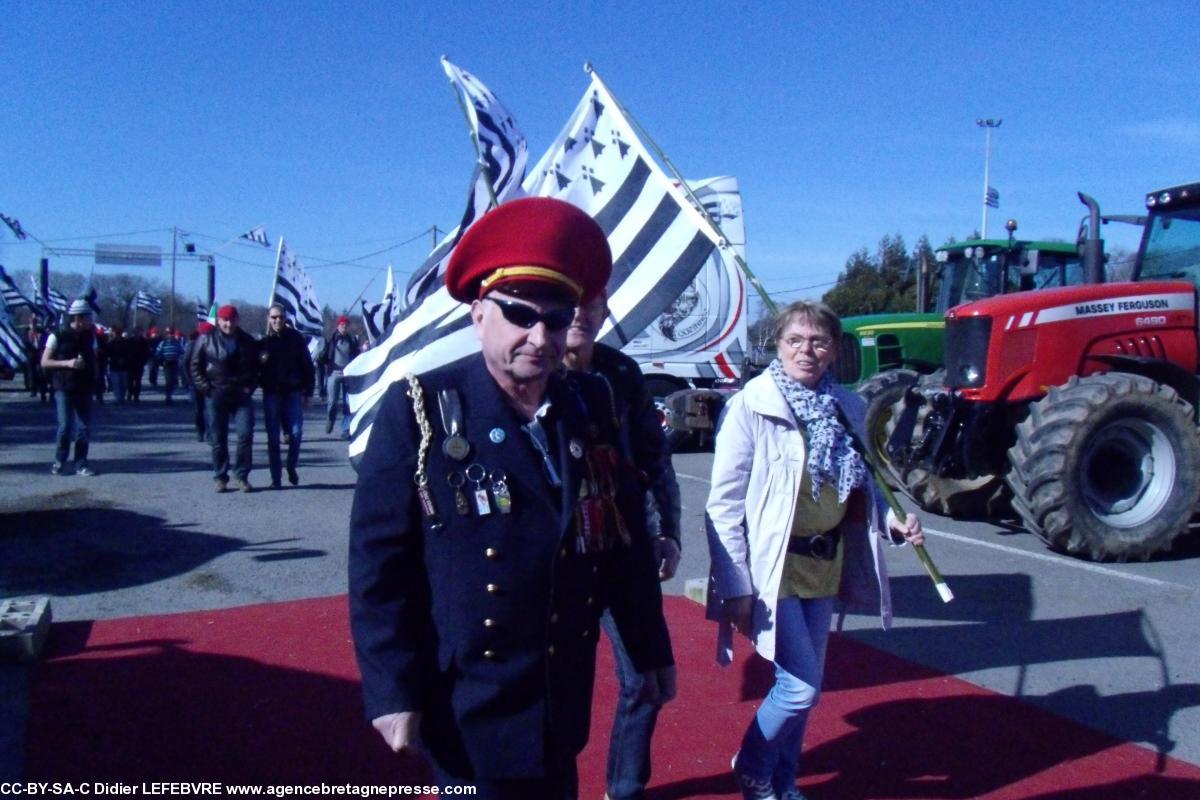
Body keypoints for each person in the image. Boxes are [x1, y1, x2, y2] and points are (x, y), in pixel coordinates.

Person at [349, 197, 676, 800]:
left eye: (555, 319)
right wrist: (392, 689)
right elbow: (379, 567)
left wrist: (649, 645)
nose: (539, 335)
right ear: (479, 314)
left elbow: (621, 538)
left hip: (559, 689)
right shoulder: (421, 411)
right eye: (520, 315)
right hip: (470, 695)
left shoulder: (591, 404)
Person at [706, 300, 925, 800]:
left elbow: (864, 489)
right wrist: (734, 583)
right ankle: (753, 765)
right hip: (773, 569)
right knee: (798, 688)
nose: (807, 350)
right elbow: (723, 505)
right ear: (778, 346)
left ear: (834, 349)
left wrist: (895, 524)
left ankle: (784, 784)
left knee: (806, 692)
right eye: (795, 340)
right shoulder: (752, 404)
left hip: (824, 566)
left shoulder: (849, 408)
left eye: (819, 341)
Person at [562, 291, 682, 800]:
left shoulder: (622, 372)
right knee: (557, 689)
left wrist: (668, 530)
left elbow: (655, 457)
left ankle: (625, 789)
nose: (579, 314)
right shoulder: (533, 372)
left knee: (649, 680)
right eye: (567, 302)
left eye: (590, 304)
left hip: (623, 548)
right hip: (561, 560)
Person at [189, 304, 260, 492]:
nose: (228, 324)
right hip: (216, 394)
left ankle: (242, 476)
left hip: (240, 395)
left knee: (245, 435)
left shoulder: (247, 341)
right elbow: (194, 366)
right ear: (219, 321)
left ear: (237, 320)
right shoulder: (206, 339)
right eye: (224, 320)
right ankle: (220, 477)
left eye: (231, 319)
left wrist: (249, 388)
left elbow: (256, 369)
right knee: (218, 438)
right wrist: (206, 389)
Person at [42, 299, 100, 476]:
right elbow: (45, 361)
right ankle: (60, 460)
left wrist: (97, 379)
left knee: (84, 428)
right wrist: (68, 363)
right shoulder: (57, 335)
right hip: (64, 386)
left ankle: (81, 463)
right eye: (88, 317)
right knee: (65, 427)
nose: (91, 321)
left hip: (85, 386)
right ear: (79, 318)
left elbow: (95, 359)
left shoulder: (90, 336)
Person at [260, 305, 315, 489]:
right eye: (274, 317)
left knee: (296, 433)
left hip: (293, 392)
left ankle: (291, 466)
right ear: (268, 318)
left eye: (281, 317)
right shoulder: (264, 342)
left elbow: (308, 366)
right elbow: (253, 368)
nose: (277, 320)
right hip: (272, 393)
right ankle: (276, 478)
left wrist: (309, 392)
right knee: (273, 437)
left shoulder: (296, 339)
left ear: (285, 319)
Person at [320, 315, 360, 436]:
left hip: (347, 373)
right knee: (332, 401)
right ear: (338, 326)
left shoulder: (351, 340)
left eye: (346, 326)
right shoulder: (332, 339)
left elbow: (356, 354)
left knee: (348, 403)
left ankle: (346, 428)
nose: (344, 327)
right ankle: (330, 419)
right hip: (334, 373)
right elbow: (324, 354)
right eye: (342, 325)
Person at [182, 322, 214, 442]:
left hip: (210, 383)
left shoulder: (214, 345)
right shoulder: (193, 345)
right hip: (195, 383)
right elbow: (185, 363)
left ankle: (211, 433)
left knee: (211, 410)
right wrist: (190, 380)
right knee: (199, 410)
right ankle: (200, 431)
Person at [155, 327, 184, 404]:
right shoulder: (163, 343)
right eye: (168, 334)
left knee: (173, 380)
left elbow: (181, 352)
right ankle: (168, 396)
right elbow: (158, 353)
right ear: (166, 334)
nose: (170, 335)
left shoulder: (177, 342)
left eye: (171, 333)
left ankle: (170, 394)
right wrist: (160, 361)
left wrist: (179, 358)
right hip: (166, 363)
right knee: (168, 380)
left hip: (174, 363)